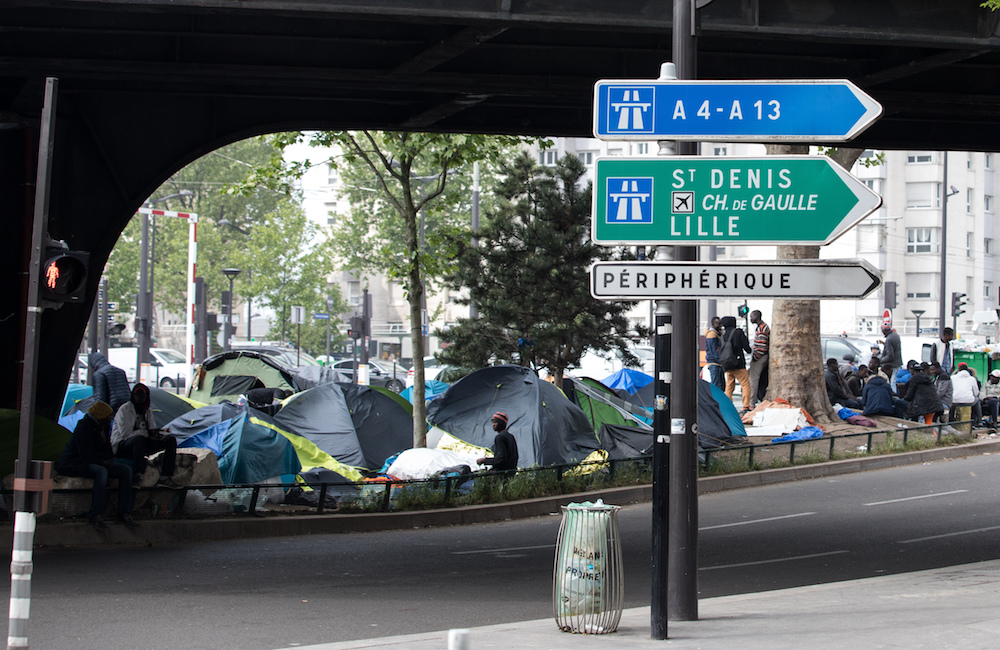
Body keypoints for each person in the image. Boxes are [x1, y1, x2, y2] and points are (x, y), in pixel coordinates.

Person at [55, 401, 138, 530]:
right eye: (108, 417)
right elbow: (87, 456)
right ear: (100, 416)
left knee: (125, 470)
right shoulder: (84, 428)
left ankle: (124, 511)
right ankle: (96, 514)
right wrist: (103, 462)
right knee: (101, 472)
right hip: (76, 463)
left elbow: (107, 448)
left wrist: (109, 459)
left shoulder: (103, 427)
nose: (110, 419)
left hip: (98, 460)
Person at [111, 383, 180, 487]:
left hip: (141, 443)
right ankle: (136, 474)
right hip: (123, 445)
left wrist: (158, 434)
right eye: (137, 394)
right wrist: (147, 433)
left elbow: (151, 429)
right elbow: (126, 434)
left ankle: (165, 476)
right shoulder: (125, 410)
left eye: (142, 394)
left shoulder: (147, 410)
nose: (140, 397)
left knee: (170, 440)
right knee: (139, 439)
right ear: (133, 396)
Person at [720, 316, 753, 414]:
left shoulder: (723, 336)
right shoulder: (738, 332)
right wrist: (749, 350)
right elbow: (746, 347)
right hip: (738, 364)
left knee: (729, 386)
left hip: (727, 365)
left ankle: (728, 407)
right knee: (745, 384)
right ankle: (746, 407)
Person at [748, 310, 770, 406]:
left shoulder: (761, 329)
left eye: (751, 316)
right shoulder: (762, 327)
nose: (750, 319)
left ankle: (751, 403)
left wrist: (755, 358)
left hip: (760, 357)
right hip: (762, 356)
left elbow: (761, 347)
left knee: (753, 380)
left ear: (756, 316)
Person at [951, 363, 980, 427]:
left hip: (955, 401)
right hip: (968, 402)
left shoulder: (952, 378)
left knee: (952, 400)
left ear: (958, 370)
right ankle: (979, 421)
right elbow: (976, 393)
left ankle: (951, 420)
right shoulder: (972, 379)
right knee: (977, 400)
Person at [880, 325, 903, 395]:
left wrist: (881, 360)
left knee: (892, 382)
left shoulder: (889, 339)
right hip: (898, 362)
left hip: (892, 365)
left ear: (884, 330)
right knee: (895, 381)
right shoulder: (896, 336)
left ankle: (894, 397)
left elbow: (890, 355)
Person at [703, 317, 725, 390]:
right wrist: (720, 360)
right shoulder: (712, 334)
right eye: (718, 324)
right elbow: (713, 351)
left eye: (720, 324)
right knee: (717, 385)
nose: (720, 325)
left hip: (716, 362)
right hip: (714, 362)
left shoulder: (717, 333)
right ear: (713, 324)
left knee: (720, 385)